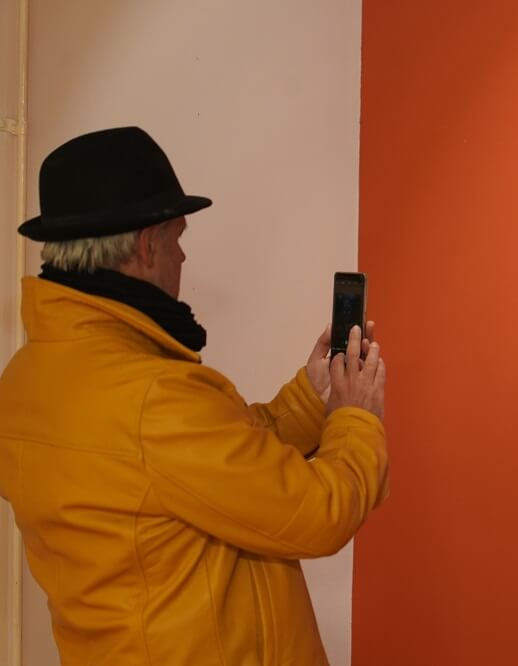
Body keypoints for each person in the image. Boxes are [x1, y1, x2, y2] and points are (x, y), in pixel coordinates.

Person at [0, 126, 389, 664]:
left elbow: (205, 467)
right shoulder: (153, 397)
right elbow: (318, 513)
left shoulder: (25, 379)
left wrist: (310, 398)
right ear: (147, 245)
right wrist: (355, 418)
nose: (182, 258)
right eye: (178, 238)